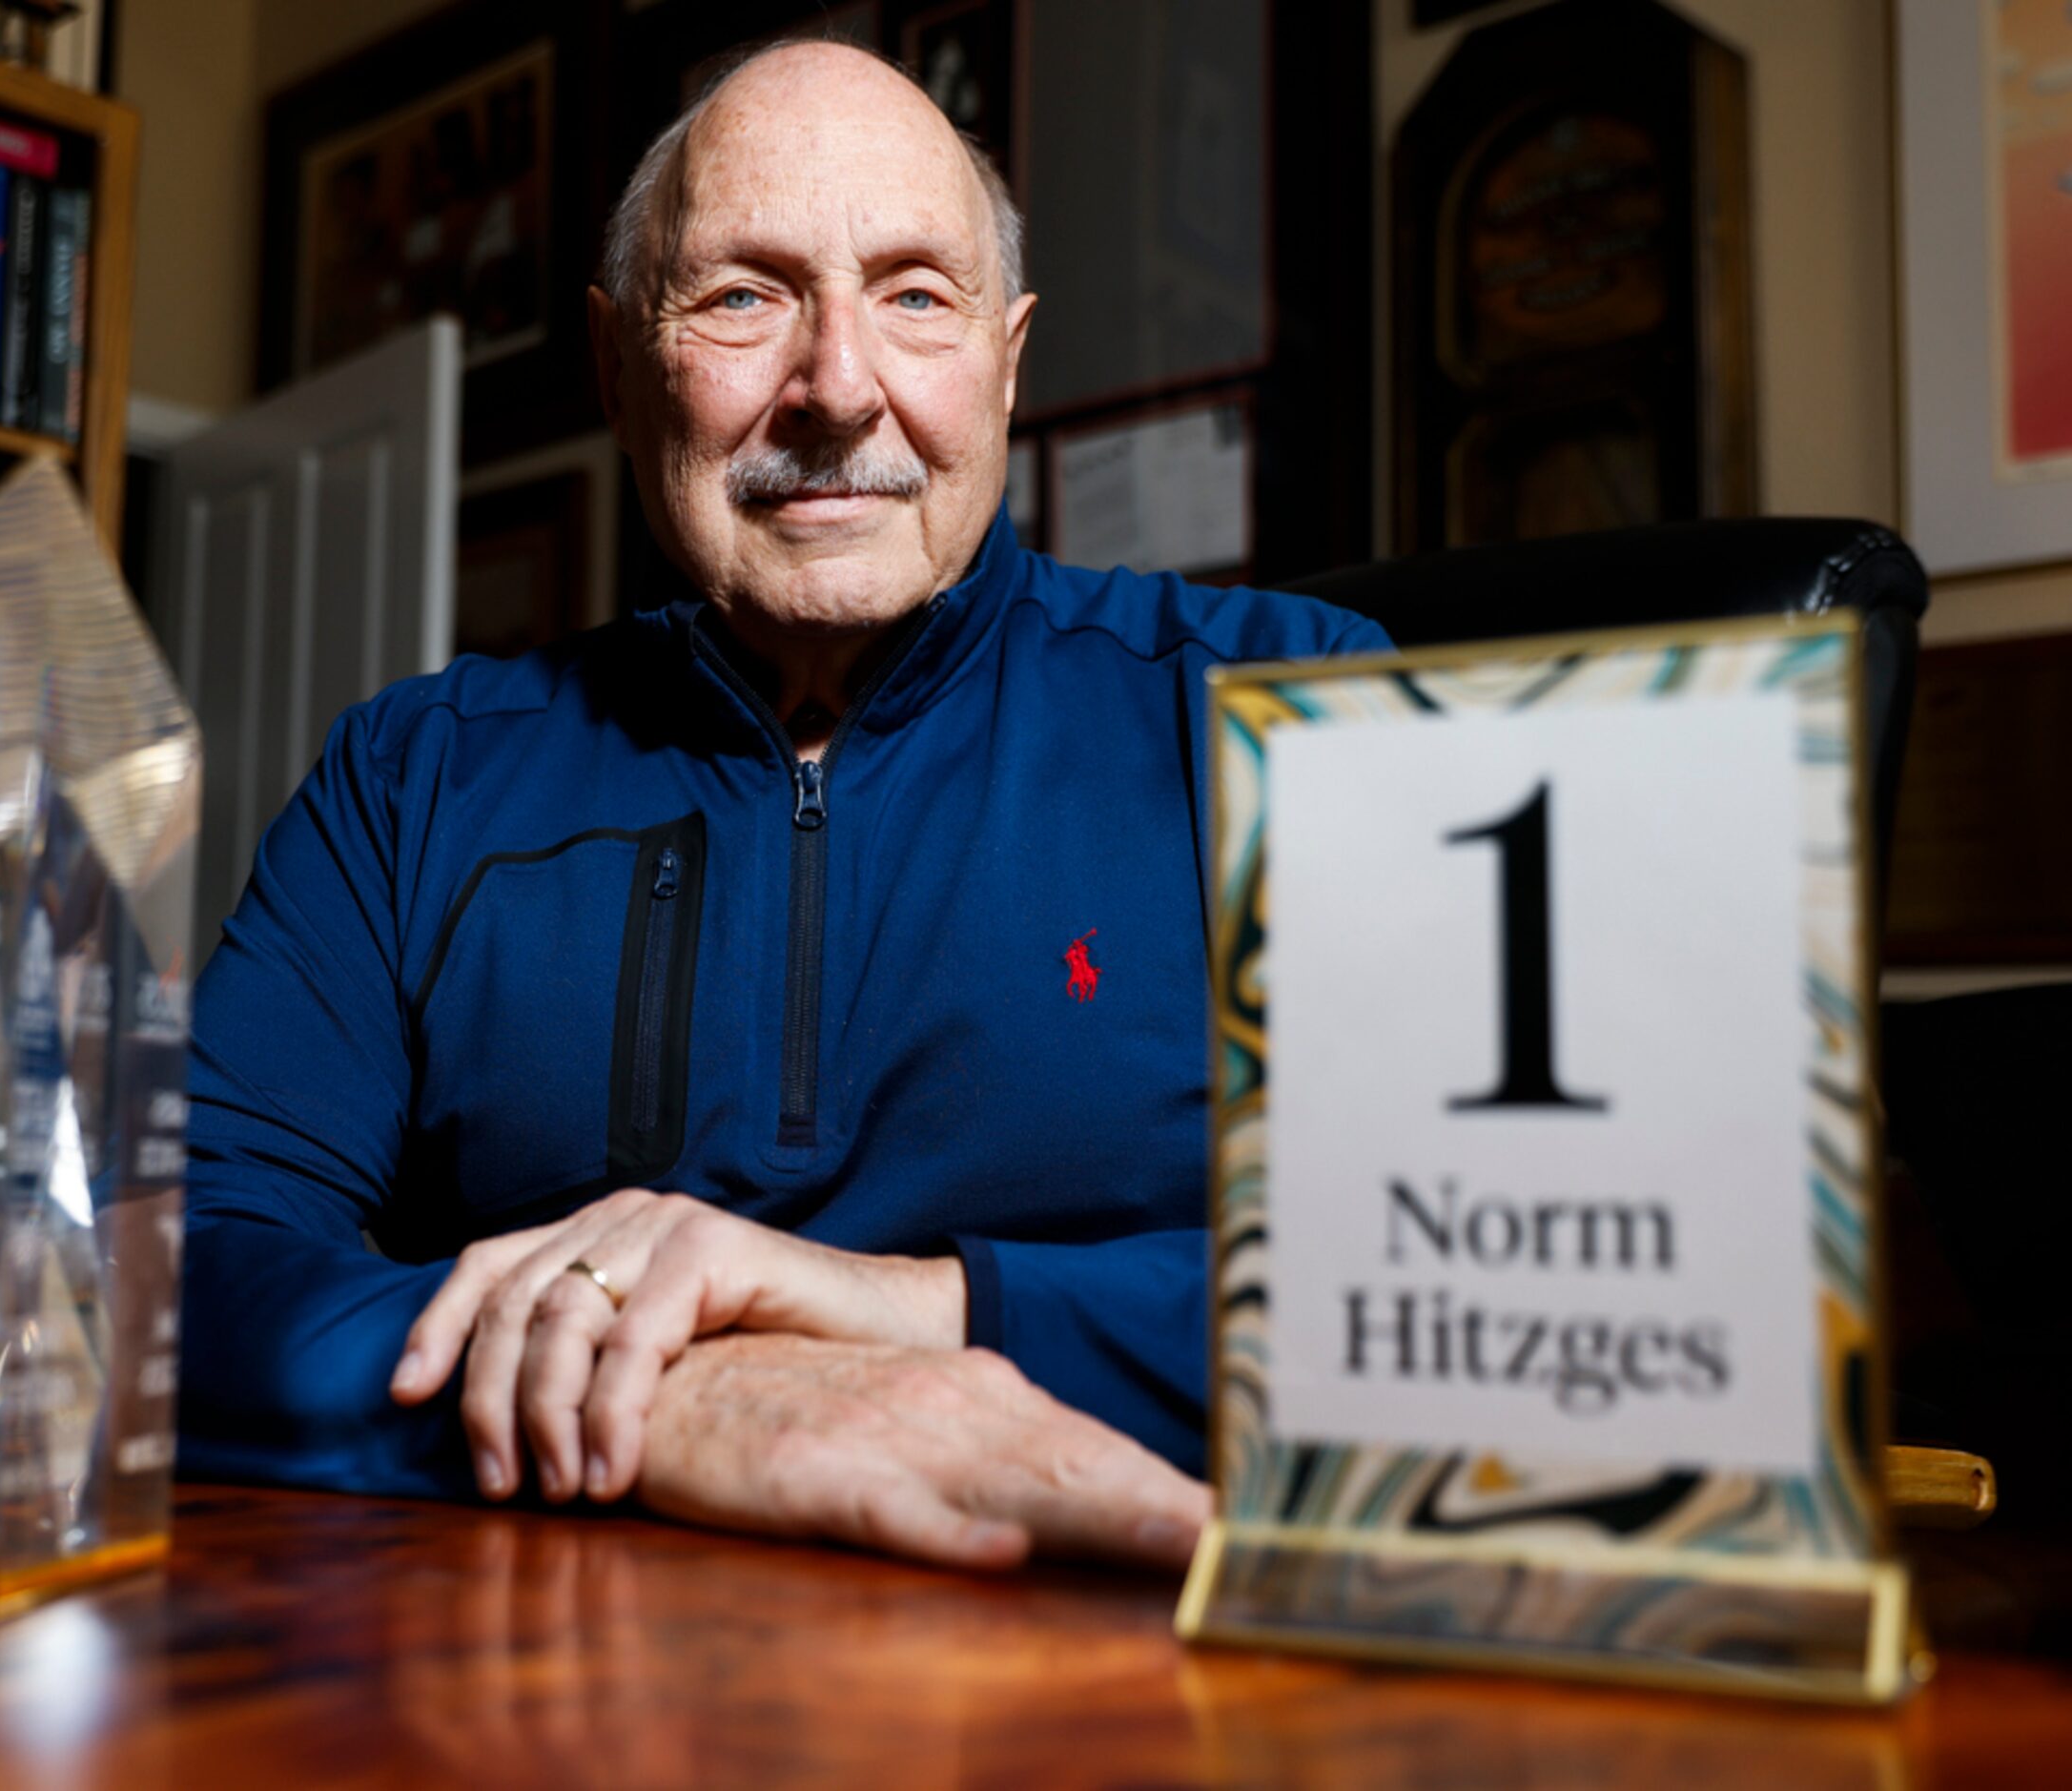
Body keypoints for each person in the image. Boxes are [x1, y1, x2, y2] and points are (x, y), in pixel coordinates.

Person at [180, 39, 1388, 1572]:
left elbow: (1508, 1293)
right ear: (622, 366)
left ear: (1007, 361)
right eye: (745, 296)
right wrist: (694, 1404)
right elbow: (170, 1271)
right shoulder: (410, 781)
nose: (835, 387)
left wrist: (912, 1318)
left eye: (916, 297)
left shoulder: (1300, 712)